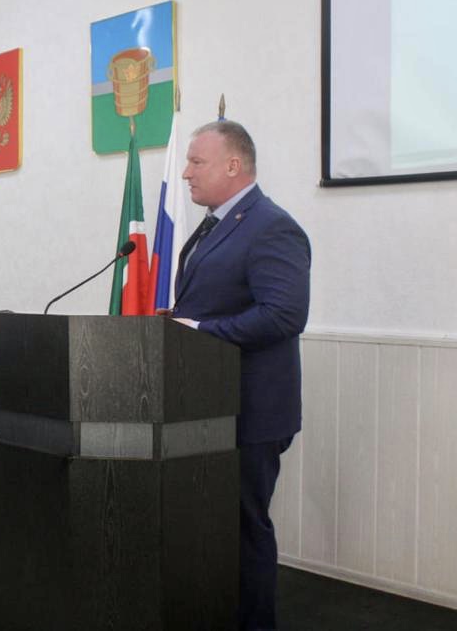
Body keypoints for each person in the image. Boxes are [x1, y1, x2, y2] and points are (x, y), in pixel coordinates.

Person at [168, 120, 310, 631]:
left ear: (233, 165)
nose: (186, 173)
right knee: (213, 529)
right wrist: (179, 322)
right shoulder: (214, 225)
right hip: (208, 406)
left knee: (244, 529)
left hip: (251, 410)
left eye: (196, 162)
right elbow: (215, 301)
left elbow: (284, 315)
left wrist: (202, 330)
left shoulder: (272, 226)